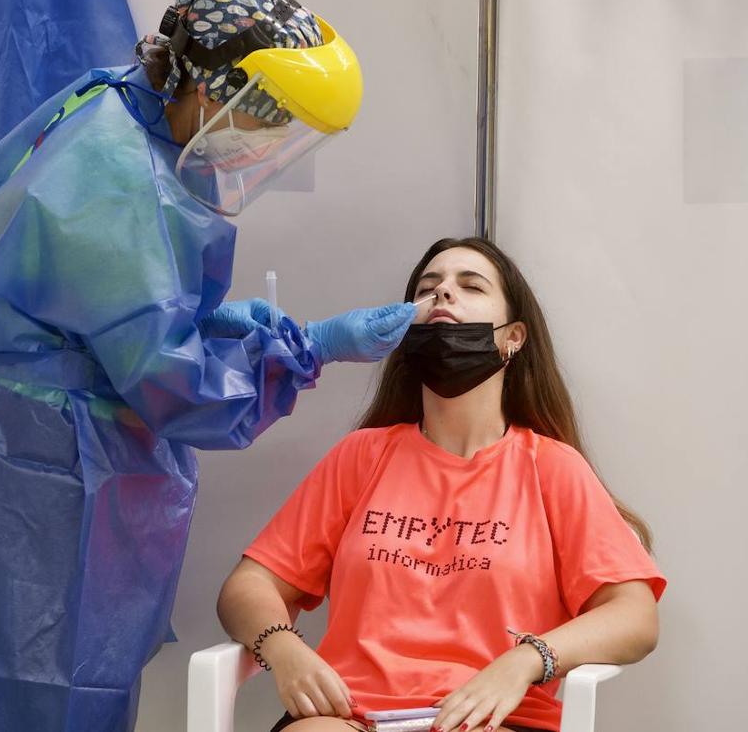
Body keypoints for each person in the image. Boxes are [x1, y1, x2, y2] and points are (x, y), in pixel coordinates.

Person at [0, 0, 415, 732]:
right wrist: (309, 349)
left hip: (26, 444)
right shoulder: (119, 182)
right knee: (43, 692)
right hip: (51, 470)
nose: (261, 141)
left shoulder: (124, 99)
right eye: (266, 117)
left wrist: (217, 321)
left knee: (26, 683)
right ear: (215, 91)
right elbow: (175, 385)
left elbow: (98, 307)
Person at [218, 237, 667, 732]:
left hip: (495, 719)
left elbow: (634, 615)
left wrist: (524, 661)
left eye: (470, 286)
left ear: (513, 337)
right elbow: (250, 584)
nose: (444, 294)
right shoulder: (361, 457)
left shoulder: (552, 468)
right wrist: (281, 646)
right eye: (429, 288)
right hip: (351, 716)